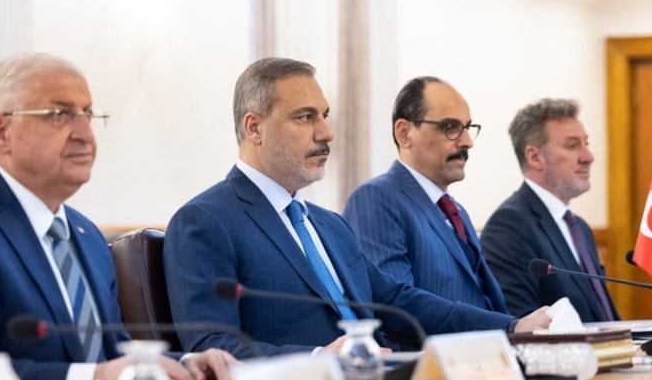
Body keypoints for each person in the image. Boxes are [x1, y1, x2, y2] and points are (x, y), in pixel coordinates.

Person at [0, 52, 236, 380]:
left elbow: (111, 357)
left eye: (88, 114)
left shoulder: (86, 236)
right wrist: (97, 379)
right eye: (59, 115)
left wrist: (188, 364)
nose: (85, 134)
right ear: (1, 132)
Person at [163, 57, 550, 359]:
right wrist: (319, 359)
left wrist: (511, 327)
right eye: (305, 117)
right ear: (254, 128)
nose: (326, 133)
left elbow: (399, 301)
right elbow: (212, 347)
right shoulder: (206, 221)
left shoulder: (330, 226)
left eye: (324, 116)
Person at [343, 76, 510, 318]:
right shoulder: (376, 198)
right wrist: (506, 325)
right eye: (450, 128)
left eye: (468, 128)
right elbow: (396, 307)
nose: (467, 142)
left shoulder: (456, 211)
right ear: (404, 133)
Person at [480, 98, 619, 322]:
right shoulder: (508, 227)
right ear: (535, 158)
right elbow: (522, 324)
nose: (588, 157)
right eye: (572, 145)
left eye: (586, 143)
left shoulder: (580, 227)